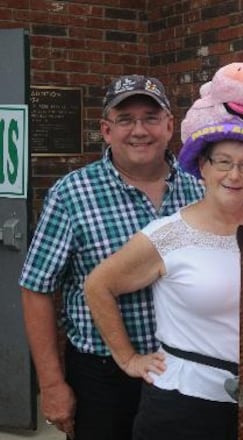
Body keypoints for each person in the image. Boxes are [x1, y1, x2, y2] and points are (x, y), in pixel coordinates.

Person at [19, 75, 204, 439]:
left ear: (169, 126)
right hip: (102, 378)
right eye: (125, 120)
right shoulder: (72, 194)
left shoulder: (200, 189)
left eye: (151, 118)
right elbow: (35, 289)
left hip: (184, 371)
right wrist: (52, 384)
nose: (139, 130)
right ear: (106, 130)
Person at [85, 110, 243, 439]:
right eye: (223, 162)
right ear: (203, 167)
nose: (234, 175)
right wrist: (128, 358)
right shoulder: (167, 235)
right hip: (184, 407)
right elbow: (98, 285)